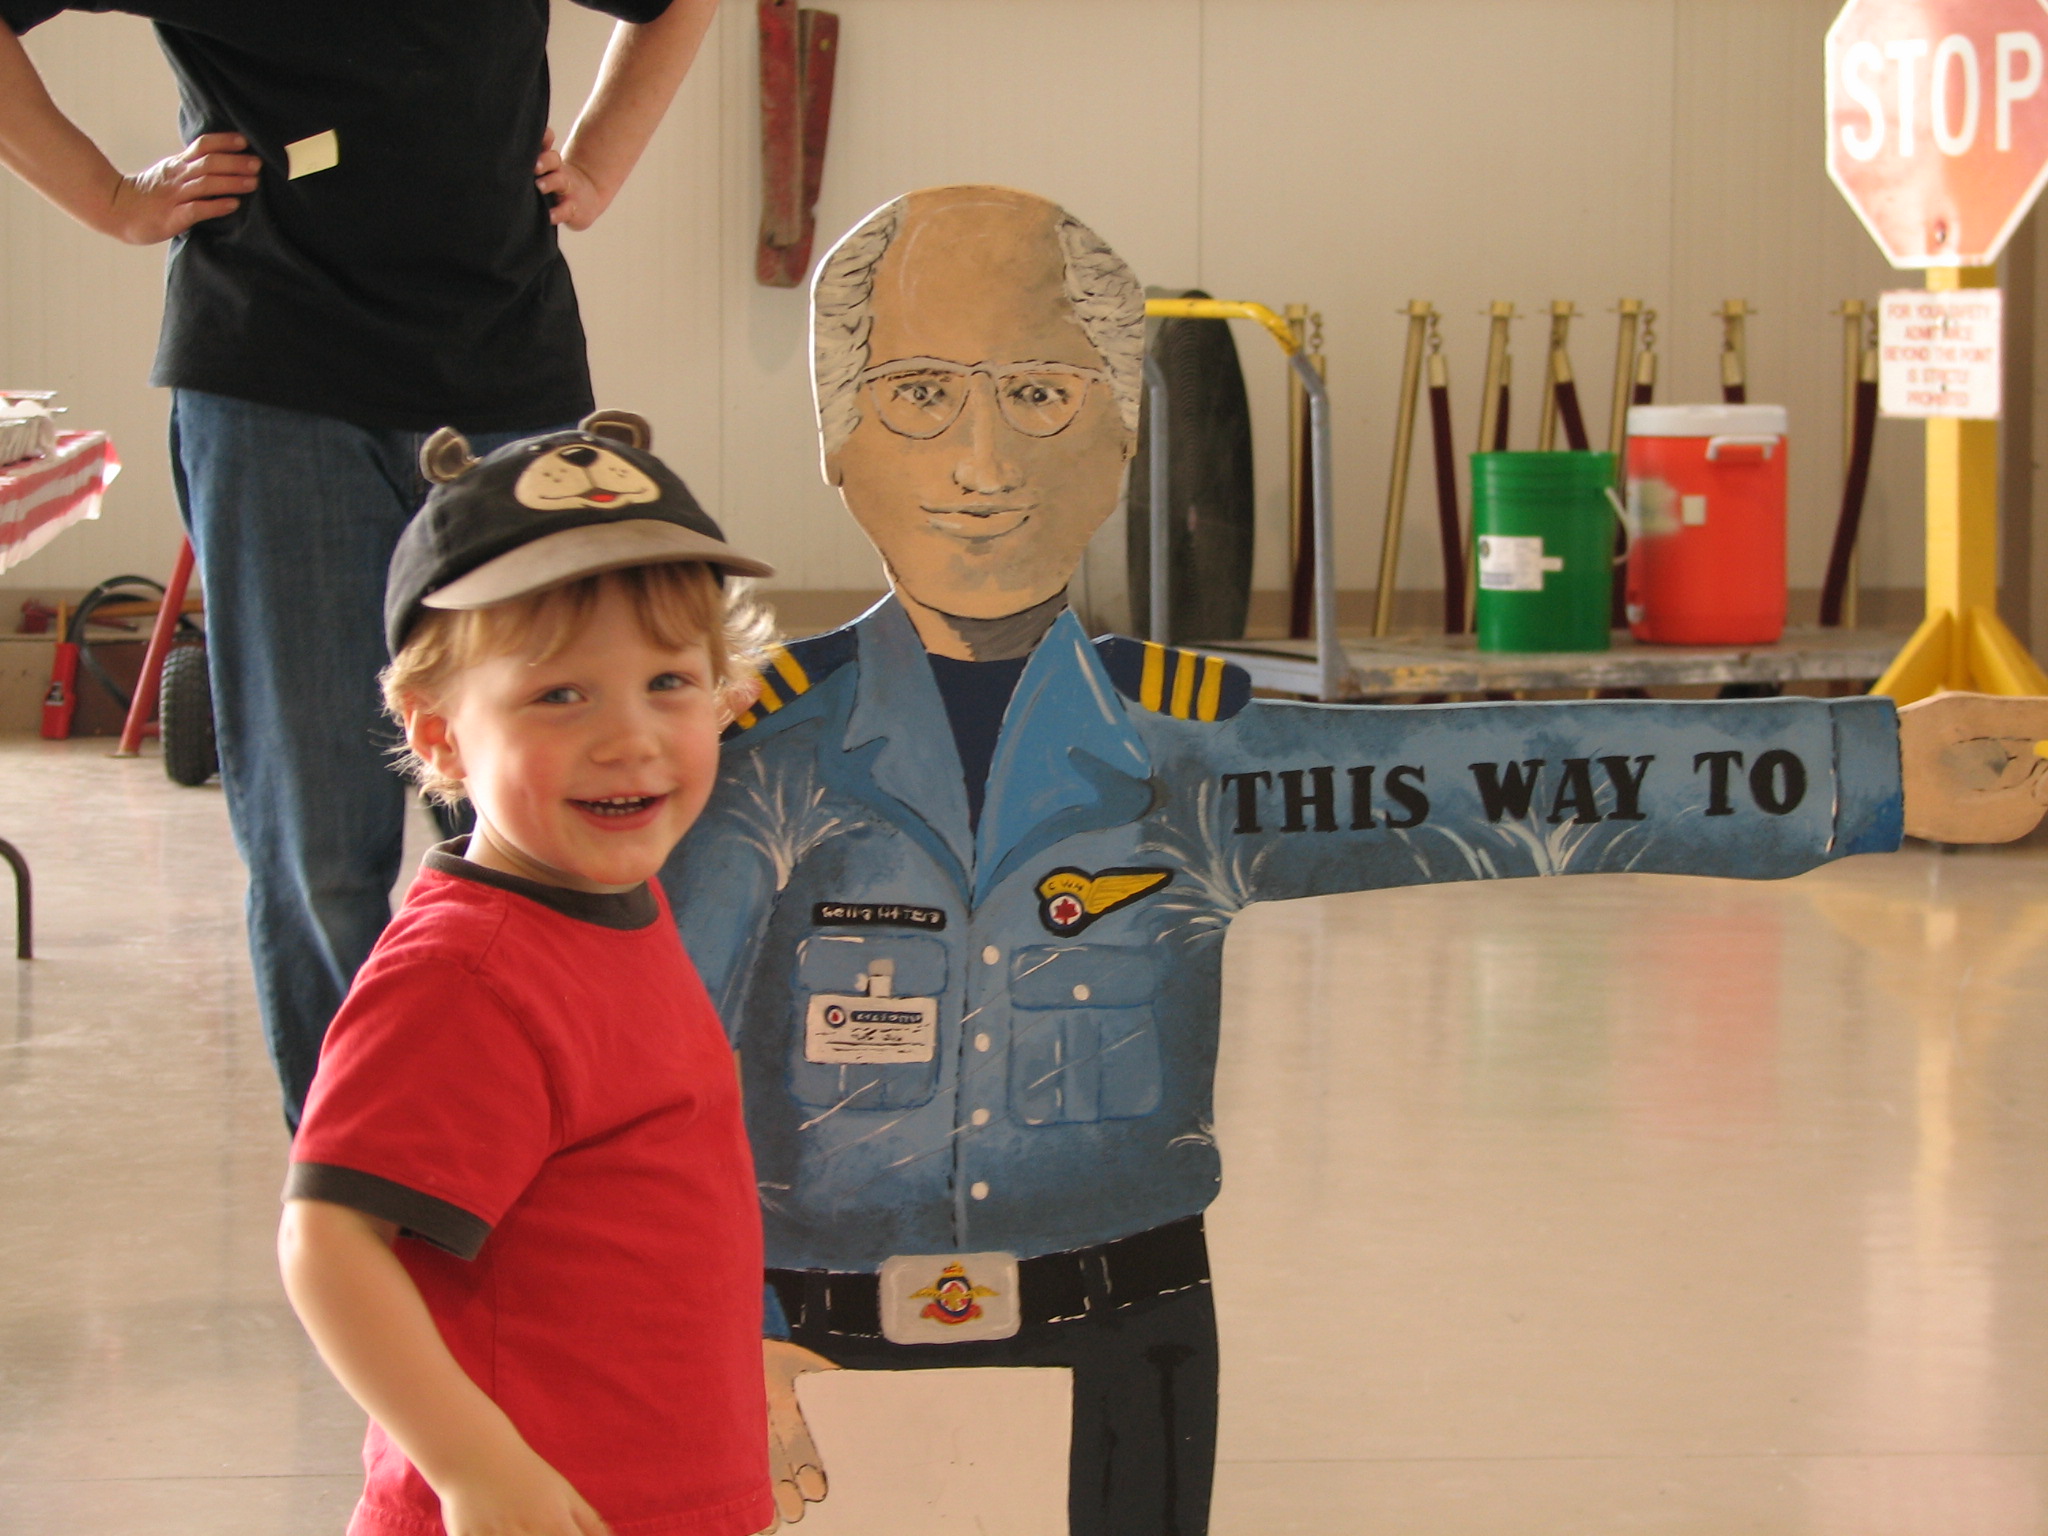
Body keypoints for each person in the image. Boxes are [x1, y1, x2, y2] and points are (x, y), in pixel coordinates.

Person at [662, 184, 2048, 1536]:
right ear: (837, 435)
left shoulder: (1186, 756)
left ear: (1125, 434)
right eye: (918, 394)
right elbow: (655, 1090)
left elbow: (1516, 777)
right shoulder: (752, 759)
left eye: (1040, 394)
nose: (983, 463)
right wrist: (718, 1331)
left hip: (1125, 1343)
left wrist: (1874, 767)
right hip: (803, 1347)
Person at [0, 0, 721, 1127]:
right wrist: (109, 197)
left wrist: (597, 163)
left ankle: (541, 1148)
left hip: (504, 374)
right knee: (319, 838)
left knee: (539, 808)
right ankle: (365, 1178)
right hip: (272, 382)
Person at [279, 412, 778, 1536]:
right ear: (442, 738)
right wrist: (475, 1467)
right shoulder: (467, 975)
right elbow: (329, 1241)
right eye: (560, 695)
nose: (629, 737)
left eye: (668, 681)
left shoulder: (607, 905)